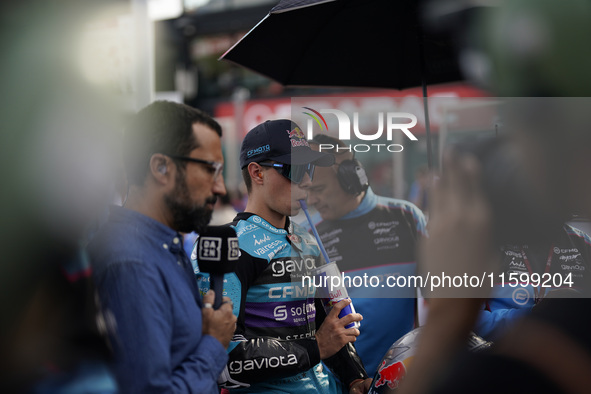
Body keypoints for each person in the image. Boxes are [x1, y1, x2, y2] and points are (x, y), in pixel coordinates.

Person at [194, 119, 372, 393]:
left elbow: (330, 328)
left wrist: (355, 377)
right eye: (296, 169)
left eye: (309, 168)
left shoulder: (308, 240)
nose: (308, 181)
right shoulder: (230, 246)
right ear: (257, 173)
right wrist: (316, 347)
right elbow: (224, 362)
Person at [88, 101, 237, 393]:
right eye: (211, 169)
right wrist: (213, 344)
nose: (219, 187)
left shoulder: (162, 244)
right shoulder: (132, 263)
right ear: (160, 167)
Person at [303, 134, 427, 374]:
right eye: (308, 190)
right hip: (340, 382)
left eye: (318, 189)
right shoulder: (308, 236)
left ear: (351, 178)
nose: (312, 200)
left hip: (403, 377)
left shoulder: (407, 217)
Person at [475, 225, 591, 341]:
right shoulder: (486, 241)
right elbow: (465, 318)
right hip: (502, 351)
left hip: (571, 351)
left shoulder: (583, 243)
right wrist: (533, 315)